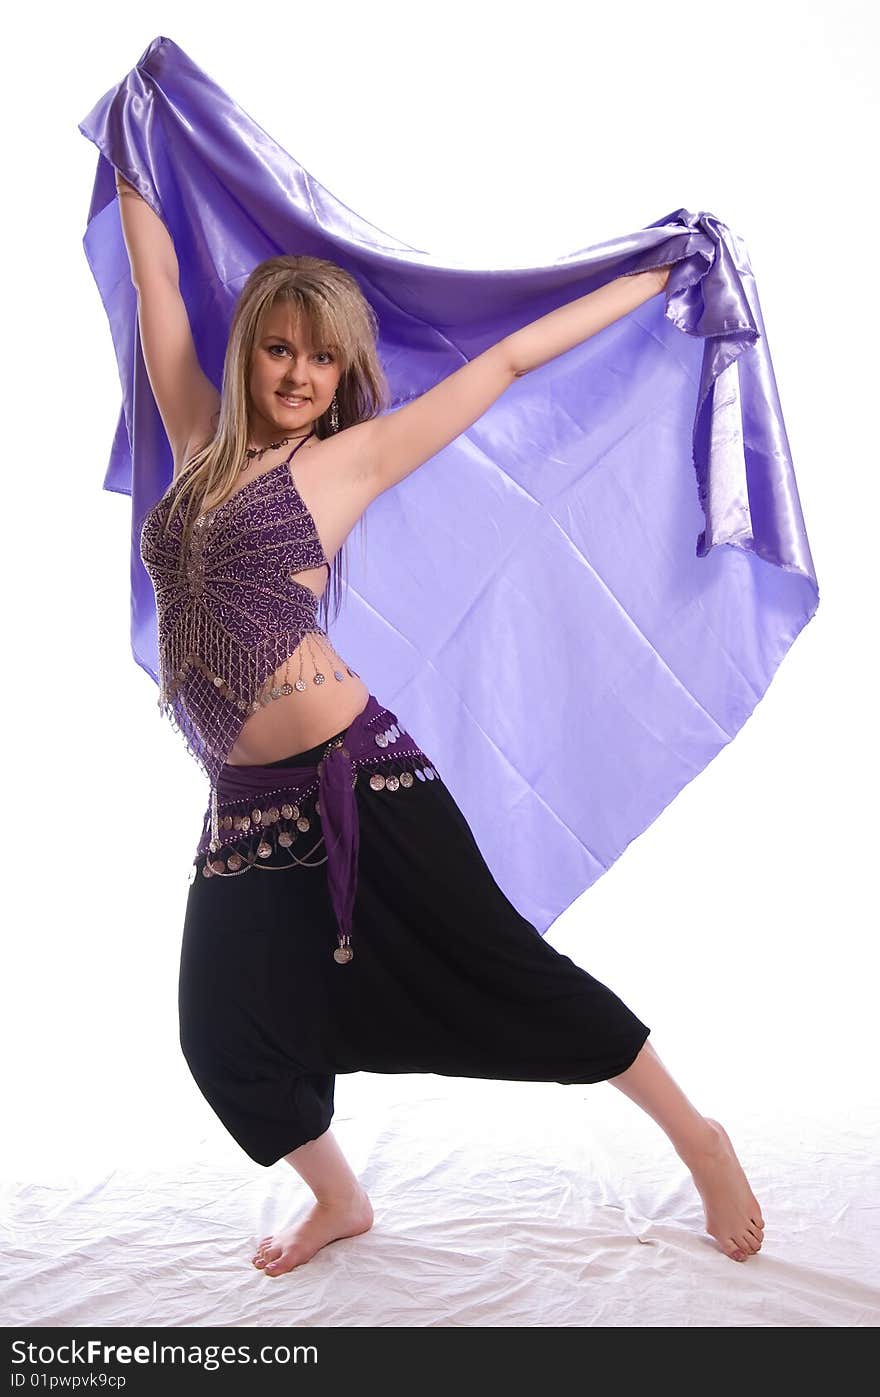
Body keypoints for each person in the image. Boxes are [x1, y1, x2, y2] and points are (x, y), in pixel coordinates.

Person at [116, 169, 765, 1279]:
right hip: (247, 805)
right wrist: (136, 152)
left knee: (506, 967)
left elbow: (507, 360)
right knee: (219, 1032)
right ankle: (341, 1197)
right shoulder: (192, 442)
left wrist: (653, 275)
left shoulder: (348, 461)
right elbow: (158, 290)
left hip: (365, 782)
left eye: (321, 358)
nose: (300, 373)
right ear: (248, 354)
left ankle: (696, 1135)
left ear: (343, 376)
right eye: (279, 348)